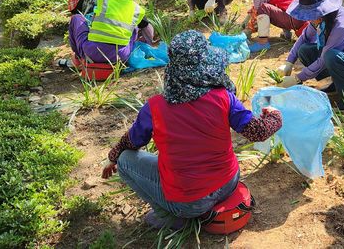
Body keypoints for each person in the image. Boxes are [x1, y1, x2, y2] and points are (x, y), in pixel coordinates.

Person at [102, 30, 282, 228]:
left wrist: (114, 156)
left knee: (125, 159)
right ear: (205, 64)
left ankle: (170, 217)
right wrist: (274, 114)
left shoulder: (154, 108)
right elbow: (258, 131)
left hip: (189, 203)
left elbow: (132, 142)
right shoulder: (223, 97)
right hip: (229, 183)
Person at [69, 0, 154, 64]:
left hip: (93, 53)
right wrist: (149, 44)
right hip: (120, 56)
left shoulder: (103, 1)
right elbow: (148, 27)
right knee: (134, 27)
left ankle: (78, 59)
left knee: (76, 18)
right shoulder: (137, 9)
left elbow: (93, 22)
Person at [239, 0, 308, 52]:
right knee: (270, 7)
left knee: (263, 8)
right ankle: (287, 34)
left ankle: (263, 43)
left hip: (293, 19)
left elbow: (256, 14)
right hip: (299, 19)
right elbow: (282, 7)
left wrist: (247, 31)